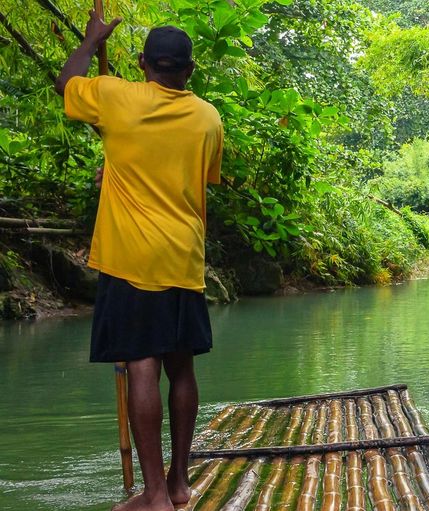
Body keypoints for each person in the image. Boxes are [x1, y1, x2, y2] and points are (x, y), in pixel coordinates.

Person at [57, 14, 223, 511]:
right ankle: (178, 485)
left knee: (142, 364)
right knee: (182, 368)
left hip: (132, 258)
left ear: (143, 64)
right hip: (184, 254)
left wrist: (92, 41)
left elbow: (66, 82)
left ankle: (153, 497)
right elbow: (198, 184)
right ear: (189, 71)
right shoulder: (209, 118)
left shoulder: (116, 96)